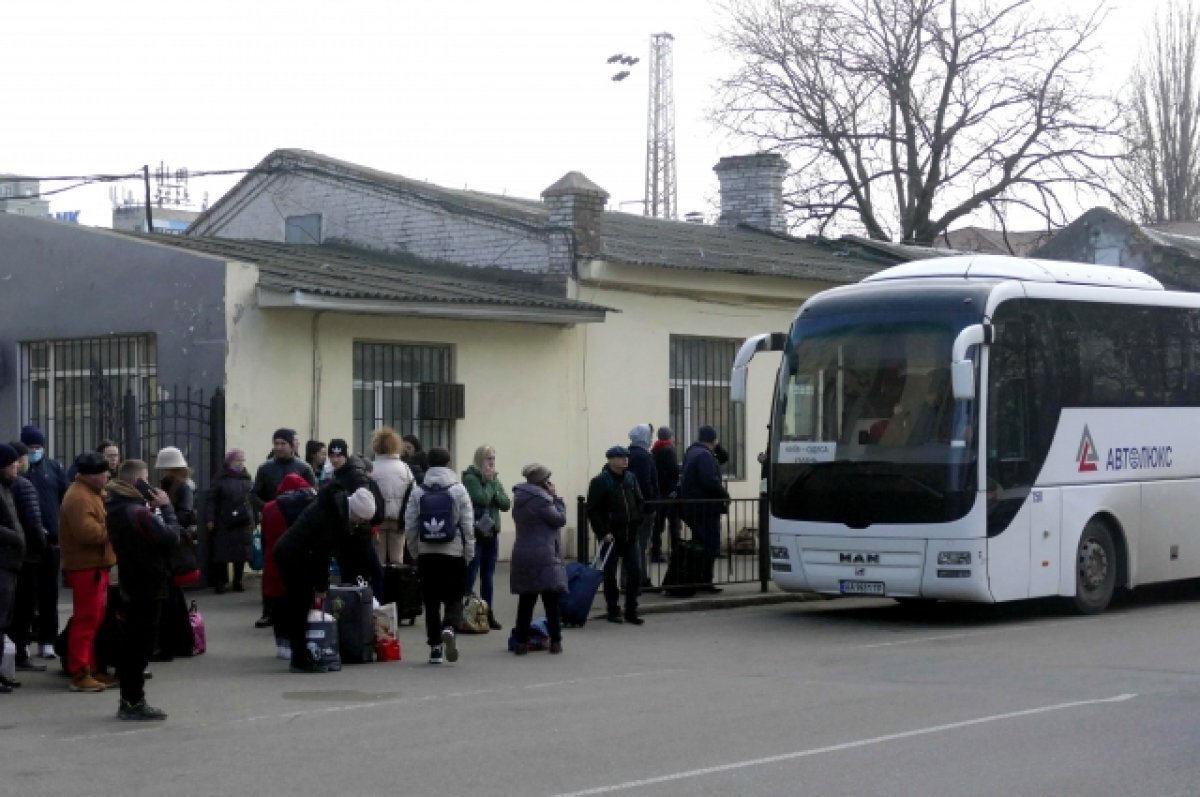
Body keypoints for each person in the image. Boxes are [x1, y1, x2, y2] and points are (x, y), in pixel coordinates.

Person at [105, 459, 181, 721]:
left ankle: (130, 698)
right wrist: (167, 508)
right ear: (139, 481)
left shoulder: (115, 505)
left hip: (130, 578)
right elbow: (171, 537)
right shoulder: (136, 511)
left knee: (133, 642)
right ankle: (132, 701)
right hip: (147, 581)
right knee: (141, 645)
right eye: (146, 478)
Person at [273, 483, 376, 673]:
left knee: (299, 605)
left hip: (292, 552)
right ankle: (299, 659)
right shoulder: (333, 518)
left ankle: (300, 653)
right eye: (360, 519)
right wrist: (321, 586)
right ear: (354, 511)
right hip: (293, 555)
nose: (359, 523)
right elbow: (322, 555)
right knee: (300, 605)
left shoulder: (333, 507)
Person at [404, 447, 474, 664]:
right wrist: (468, 553)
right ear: (448, 463)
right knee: (454, 597)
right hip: (453, 553)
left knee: (431, 602)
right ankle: (450, 627)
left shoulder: (418, 491)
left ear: (428, 464)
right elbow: (467, 525)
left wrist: (415, 552)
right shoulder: (458, 490)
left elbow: (410, 525)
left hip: (427, 553)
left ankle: (435, 649)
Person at [58, 451, 118, 692]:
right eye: (104, 473)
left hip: (94, 565)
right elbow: (87, 533)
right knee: (86, 621)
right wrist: (114, 527)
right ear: (92, 475)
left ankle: (91, 668)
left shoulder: (89, 493)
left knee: (93, 620)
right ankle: (80, 672)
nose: (108, 476)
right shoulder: (80, 497)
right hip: (86, 567)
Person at [19, 425, 69, 659]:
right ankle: (24, 640)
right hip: (28, 542)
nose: (35, 451)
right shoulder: (19, 471)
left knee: (50, 593)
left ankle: (47, 639)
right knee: (27, 595)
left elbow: (64, 496)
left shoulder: (53, 468)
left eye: (38, 447)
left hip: (52, 541)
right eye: (31, 447)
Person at [509, 463, 567, 655]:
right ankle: (556, 642)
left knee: (526, 601)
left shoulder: (519, 498)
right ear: (542, 482)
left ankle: (520, 643)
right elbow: (559, 519)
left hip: (523, 552)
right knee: (551, 600)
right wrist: (556, 498)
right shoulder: (543, 500)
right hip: (544, 555)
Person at [585, 446, 646, 625]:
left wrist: (637, 520)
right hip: (611, 537)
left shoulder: (631, 478)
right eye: (620, 457)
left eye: (626, 456)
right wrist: (603, 532)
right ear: (610, 460)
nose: (625, 460)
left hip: (630, 534)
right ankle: (613, 610)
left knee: (635, 573)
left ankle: (631, 610)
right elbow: (592, 510)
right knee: (609, 574)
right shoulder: (600, 481)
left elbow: (639, 501)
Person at [260, 473, 317, 660]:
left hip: (273, 561)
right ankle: (298, 644)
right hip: (297, 561)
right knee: (297, 605)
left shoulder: (269, 508)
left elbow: (264, 536)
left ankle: (282, 644)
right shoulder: (306, 507)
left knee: (278, 606)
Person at [5, 441, 47, 674]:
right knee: (24, 608)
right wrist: (40, 545)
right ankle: (20, 653)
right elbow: (33, 521)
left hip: (12, 555)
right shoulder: (23, 485)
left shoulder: (10, 485)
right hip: (26, 555)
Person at [463, 444, 510, 630]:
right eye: (488, 458)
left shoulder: (494, 479)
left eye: (493, 459)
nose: (491, 463)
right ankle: (462, 612)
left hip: (492, 532)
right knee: (471, 573)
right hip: (476, 533)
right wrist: (490, 485)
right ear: (480, 459)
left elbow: (506, 503)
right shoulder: (470, 478)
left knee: (488, 576)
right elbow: (481, 498)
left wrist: (492, 487)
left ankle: (487, 614)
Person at [680, 425, 730, 592]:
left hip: (694, 507)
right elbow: (709, 480)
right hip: (706, 508)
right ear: (714, 439)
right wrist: (724, 494)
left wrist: (716, 446)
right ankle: (705, 580)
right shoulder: (704, 455)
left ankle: (698, 579)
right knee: (710, 544)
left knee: (700, 543)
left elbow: (723, 457)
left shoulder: (692, 451)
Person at [208, 449, 256, 594]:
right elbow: (212, 500)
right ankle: (221, 582)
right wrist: (210, 518)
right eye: (237, 460)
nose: (240, 463)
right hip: (224, 520)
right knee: (222, 552)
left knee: (241, 553)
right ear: (229, 462)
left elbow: (251, 500)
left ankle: (238, 581)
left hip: (243, 520)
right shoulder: (220, 479)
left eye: (242, 460)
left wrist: (254, 518)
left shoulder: (246, 478)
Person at [0, 444, 28, 692]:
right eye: (12, 464)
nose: (17, 467)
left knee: (4, 621)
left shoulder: (7, 487)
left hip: (9, 562)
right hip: (3, 561)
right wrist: (16, 537)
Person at [369, 427, 414, 567]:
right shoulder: (405, 468)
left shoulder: (372, 468)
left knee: (378, 560)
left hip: (378, 519)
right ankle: (396, 580)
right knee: (397, 560)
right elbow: (413, 493)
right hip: (398, 520)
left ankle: (380, 581)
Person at [251, 428, 317, 511]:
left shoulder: (304, 468)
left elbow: (313, 494)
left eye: (283, 444)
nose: (279, 447)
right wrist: (267, 507)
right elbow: (254, 495)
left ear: (291, 446)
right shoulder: (264, 468)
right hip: (272, 515)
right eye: (276, 443)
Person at [626, 425, 659, 588]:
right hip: (643, 507)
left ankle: (634, 579)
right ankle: (638, 580)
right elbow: (645, 482)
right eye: (649, 436)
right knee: (640, 545)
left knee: (633, 545)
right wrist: (651, 501)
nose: (651, 439)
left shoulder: (628, 453)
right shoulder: (643, 456)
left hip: (631, 507)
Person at [650, 426, 681, 563]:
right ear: (669, 436)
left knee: (658, 525)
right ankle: (676, 551)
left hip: (659, 492)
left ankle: (655, 551)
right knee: (674, 524)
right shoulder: (669, 449)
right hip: (669, 492)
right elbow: (674, 470)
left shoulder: (655, 449)